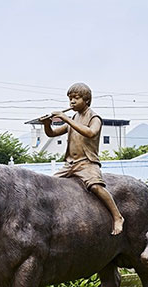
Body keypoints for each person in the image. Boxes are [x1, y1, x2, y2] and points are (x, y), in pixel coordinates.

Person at [42, 82, 124, 235]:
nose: (72, 102)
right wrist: (47, 124)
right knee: (49, 186)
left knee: (96, 187)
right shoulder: (74, 117)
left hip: (87, 163)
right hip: (70, 164)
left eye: (76, 98)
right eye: (70, 99)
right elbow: (51, 134)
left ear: (86, 100)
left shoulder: (94, 118)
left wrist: (66, 119)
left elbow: (91, 133)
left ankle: (117, 216)